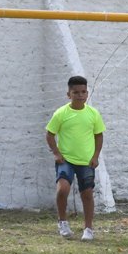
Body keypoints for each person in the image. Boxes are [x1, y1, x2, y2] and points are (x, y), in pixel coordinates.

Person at [44, 75, 105, 240]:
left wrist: (95, 156)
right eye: (76, 92)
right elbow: (50, 135)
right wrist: (57, 153)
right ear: (68, 94)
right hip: (66, 160)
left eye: (83, 92)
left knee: (87, 194)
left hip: (86, 161)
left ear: (87, 93)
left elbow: (99, 136)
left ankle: (88, 228)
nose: (80, 95)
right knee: (63, 189)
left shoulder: (93, 114)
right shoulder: (61, 113)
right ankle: (62, 222)